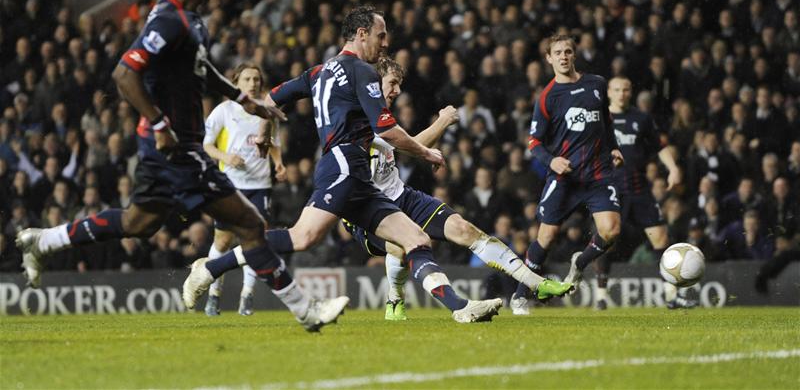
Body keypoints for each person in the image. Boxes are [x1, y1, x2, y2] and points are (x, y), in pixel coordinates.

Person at [16, 0, 347, 332]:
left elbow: (202, 71)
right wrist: (159, 125)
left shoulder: (189, 21)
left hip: (169, 148)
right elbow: (125, 74)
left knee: (139, 222)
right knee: (250, 225)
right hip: (178, 148)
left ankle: (44, 241)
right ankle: (306, 311)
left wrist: (246, 101)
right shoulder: (169, 20)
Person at [183, 5, 503, 323]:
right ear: (361, 34)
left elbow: (269, 102)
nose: (386, 42)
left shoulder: (319, 71)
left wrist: (266, 133)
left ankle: (460, 308)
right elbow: (387, 130)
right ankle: (209, 268)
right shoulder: (361, 70)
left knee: (416, 240)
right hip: (344, 165)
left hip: (356, 173)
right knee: (303, 238)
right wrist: (426, 152)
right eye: (381, 35)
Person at [201, 56, 572, 321]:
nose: (395, 91)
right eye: (392, 84)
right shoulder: (361, 112)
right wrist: (439, 126)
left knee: (456, 230)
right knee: (327, 239)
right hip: (360, 199)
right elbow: (401, 142)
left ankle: (526, 285)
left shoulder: (364, 103)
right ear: (374, 81)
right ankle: (397, 298)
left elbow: (399, 143)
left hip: (397, 194)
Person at [511, 34, 625, 315]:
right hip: (566, 178)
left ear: (574, 55)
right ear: (549, 58)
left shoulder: (597, 84)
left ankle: (580, 263)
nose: (563, 56)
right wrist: (552, 162)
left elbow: (606, 124)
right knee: (546, 238)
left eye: (568, 52)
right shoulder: (548, 97)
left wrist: (614, 148)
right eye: (558, 53)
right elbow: (534, 143)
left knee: (611, 230)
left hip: (598, 174)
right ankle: (520, 296)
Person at [594, 76, 696, 309]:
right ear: (609, 92)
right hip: (611, 190)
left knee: (661, 238)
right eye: (617, 90)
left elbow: (660, 146)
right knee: (607, 241)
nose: (621, 94)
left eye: (626, 89)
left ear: (631, 92)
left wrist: (672, 168)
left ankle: (671, 296)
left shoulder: (642, 118)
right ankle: (601, 297)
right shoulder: (599, 119)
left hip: (639, 189)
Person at [202, 63, 286, 317]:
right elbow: (206, 145)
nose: (253, 83)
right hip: (231, 185)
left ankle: (246, 297)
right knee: (223, 240)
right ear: (236, 82)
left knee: (256, 240)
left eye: (257, 79)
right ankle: (213, 295)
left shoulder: (266, 111)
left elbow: (273, 142)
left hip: (260, 186)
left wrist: (279, 162)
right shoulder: (224, 110)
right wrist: (225, 157)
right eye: (247, 79)